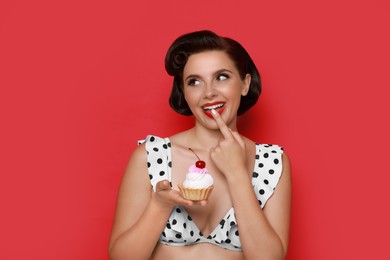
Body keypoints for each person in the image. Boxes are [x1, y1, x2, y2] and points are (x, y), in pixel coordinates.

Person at [108, 30, 291, 260]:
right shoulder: (151, 156)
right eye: (194, 82)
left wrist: (237, 173)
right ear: (184, 93)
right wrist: (160, 205)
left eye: (222, 77)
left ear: (245, 84)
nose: (209, 92)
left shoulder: (271, 162)